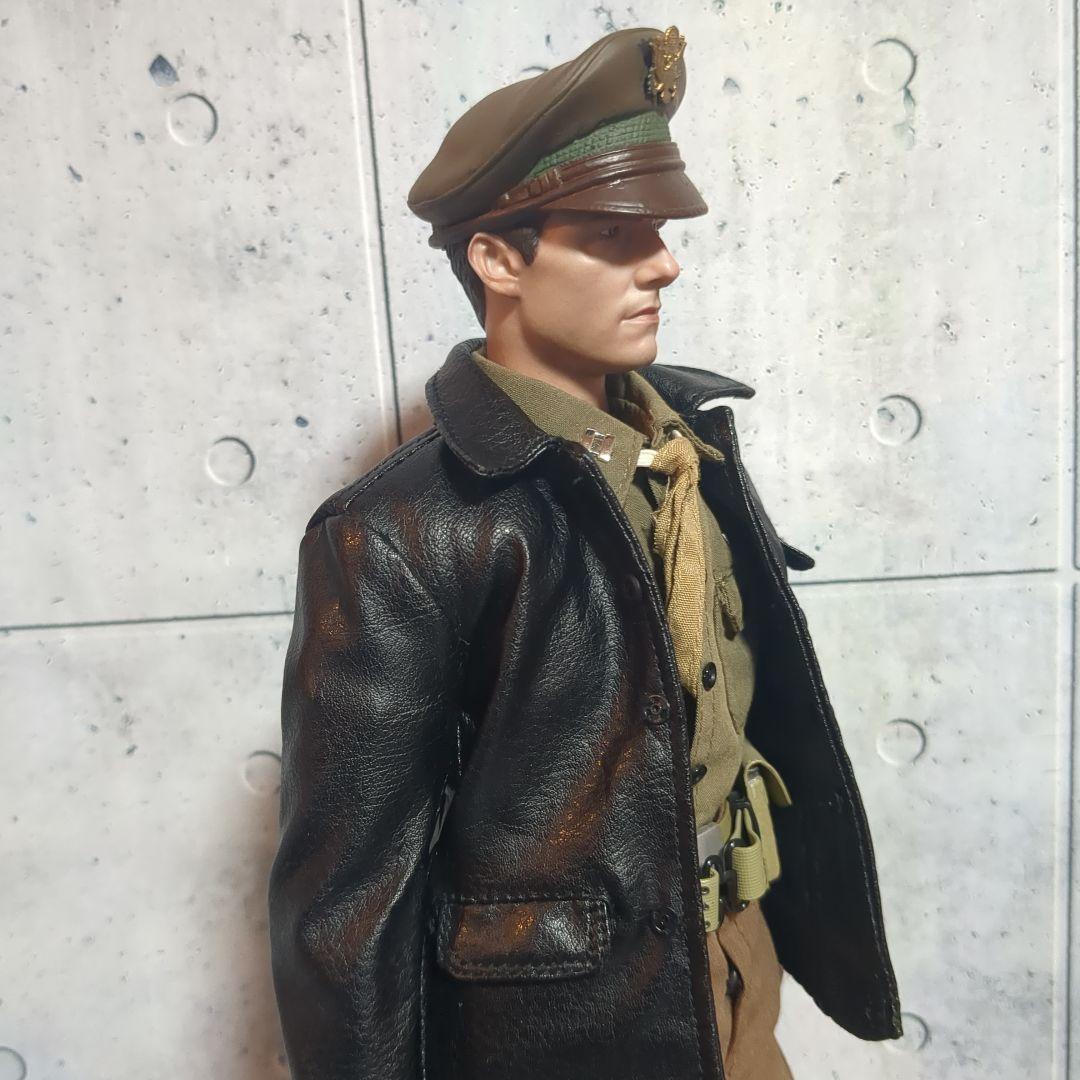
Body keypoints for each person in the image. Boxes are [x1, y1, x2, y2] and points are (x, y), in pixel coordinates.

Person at [268, 24, 902, 1080]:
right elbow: (346, 905)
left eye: (656, 230)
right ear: (497, 259)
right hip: (565, 1028)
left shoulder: (685, 450)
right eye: (612, 236)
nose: (664, 263)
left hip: (736, 960)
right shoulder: (399, 533)